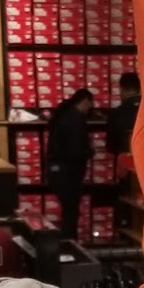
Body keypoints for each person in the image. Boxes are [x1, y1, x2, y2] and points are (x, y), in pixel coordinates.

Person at [46, 86, 93, 239]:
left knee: (69, 210)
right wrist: (89, 152)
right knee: (70, 212)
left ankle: (67, 242)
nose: (90, 109)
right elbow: (75, 150)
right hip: (69, 173)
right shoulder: (76, 119)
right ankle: (69, 243)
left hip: (56, 170)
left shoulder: (63, 115)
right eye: (90, 105)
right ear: (85, 101)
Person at [106, 71, 141, 162]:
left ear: (121, 89)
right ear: (140, 88)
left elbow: (111, 149)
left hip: (126, 163)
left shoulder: (116, 113)